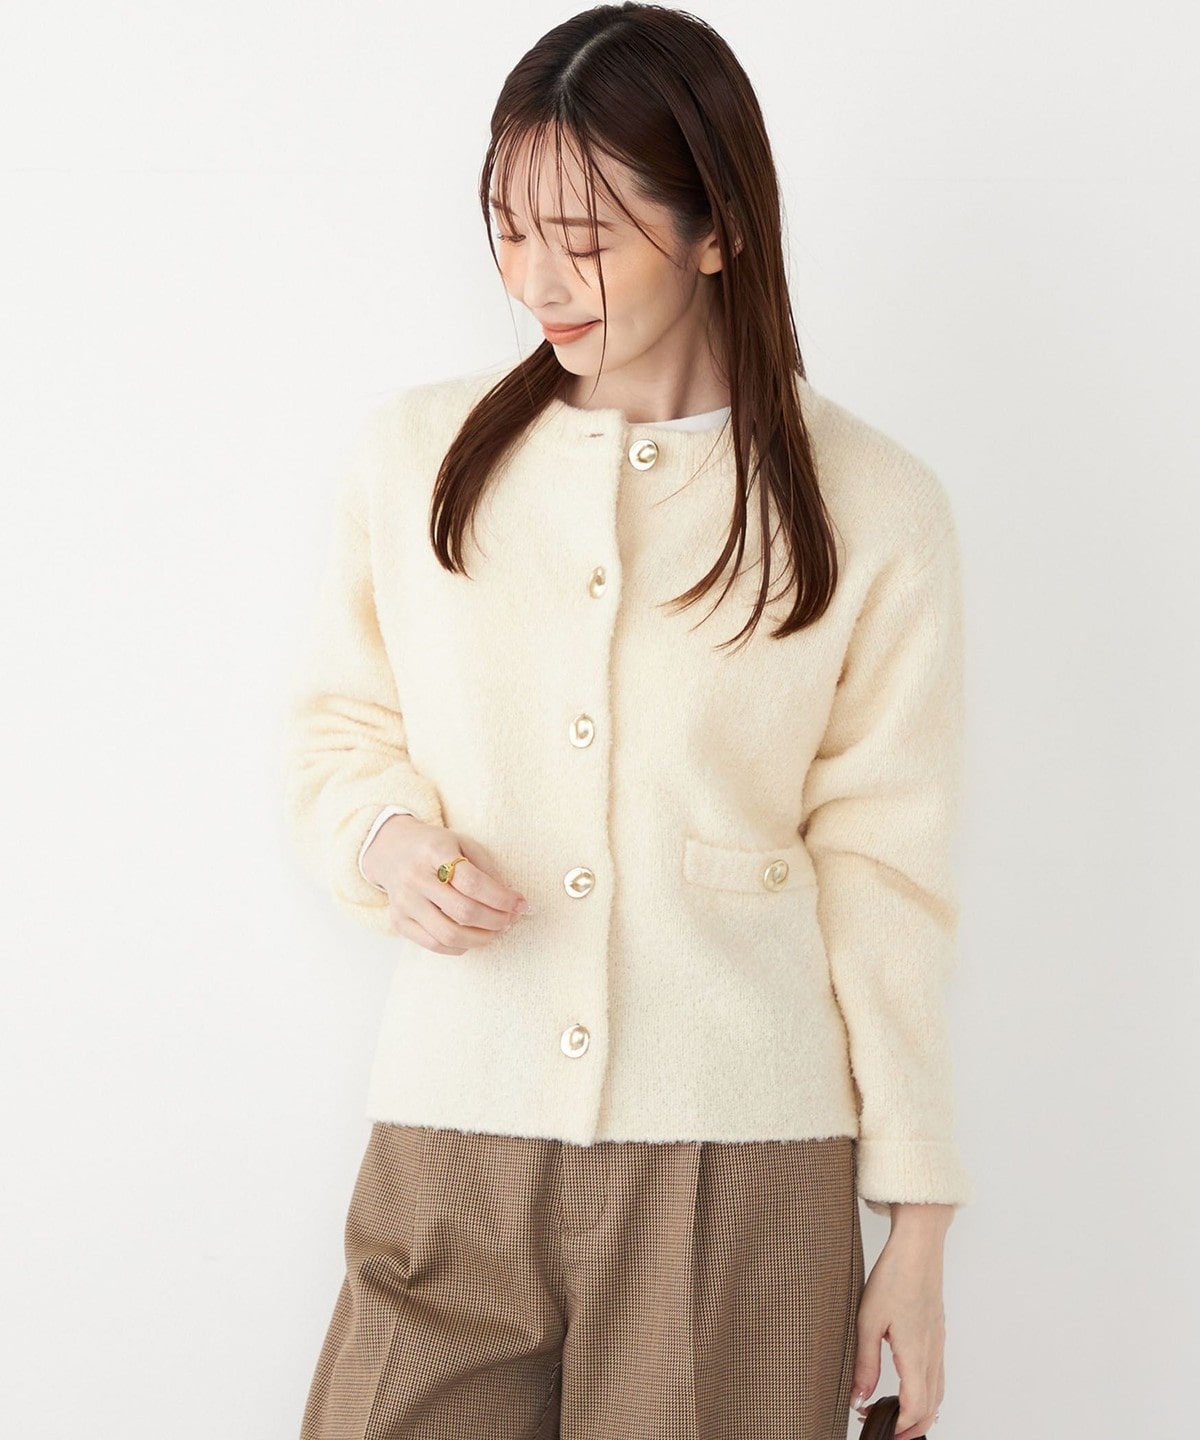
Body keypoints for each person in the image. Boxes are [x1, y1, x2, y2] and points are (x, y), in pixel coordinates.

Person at [280, 5, 971, 1437]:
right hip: (454, 1138)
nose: (535, 279)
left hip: (739, 1161)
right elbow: (341, 728)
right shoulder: (414, 460)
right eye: (508, 230)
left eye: (585, 237)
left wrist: (917, 1223)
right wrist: (385, 839)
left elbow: (886, 872)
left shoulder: (873, 505)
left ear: (719, 228)